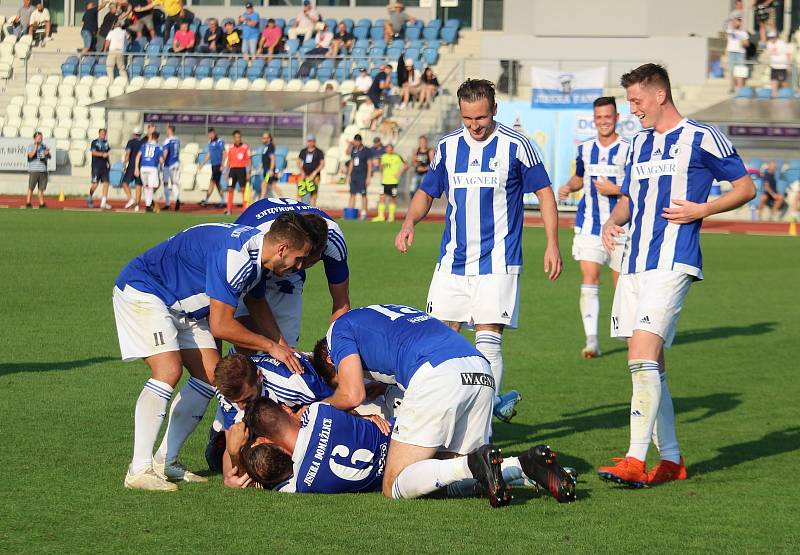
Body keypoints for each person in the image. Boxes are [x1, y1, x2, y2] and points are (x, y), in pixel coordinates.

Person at [597, 63, 756, 488]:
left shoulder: (702, 137)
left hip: (674, 260)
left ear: (660, 95)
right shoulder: (636, 145)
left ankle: (634, 458)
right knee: (652, 366)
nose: (632, 110)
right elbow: (631, 198)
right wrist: (613, 220)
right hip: (634, 263)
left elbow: (745, 188)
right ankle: (671, 459)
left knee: (641, 357)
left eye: (636, 101)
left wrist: (702, 210)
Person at [395, 79, 562, 424]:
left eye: (481, 119)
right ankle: (437, 419)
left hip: (499, 263)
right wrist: (409, 221)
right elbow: (428, 192)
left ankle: (480, 429)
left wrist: (552, 243)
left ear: (494, 111)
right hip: (452, 263)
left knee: (488, 344)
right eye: (468, 119)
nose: (474, 126)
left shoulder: (517, 146)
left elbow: (544, 193)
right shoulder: (448, 146)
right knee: (438, 343)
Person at [112, 214, 314, 490]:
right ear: (282, 250)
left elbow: (257, 303)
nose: (300, 266)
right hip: (147, 290)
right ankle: (139, 469)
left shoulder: (258, 253)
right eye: (299, 259)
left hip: (186, 307)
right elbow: (221, 325)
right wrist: (270, 346)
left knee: (211, 377)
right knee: (168, 370)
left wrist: (283, 347)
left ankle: (166, 461)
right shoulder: (238, 258)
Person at [313, 304, 576, 505]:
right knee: (455, 471)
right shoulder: (376, 316)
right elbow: (397, 353)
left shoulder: (337, 331)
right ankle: (525, 464)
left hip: (437, 374)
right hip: (479, 369)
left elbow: (351, 394)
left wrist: (317, 407)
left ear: (330, 357)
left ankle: (476, 462)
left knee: (393, 484)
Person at [557, 96, 630, 358]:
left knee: (621, 283)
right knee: (589, 278)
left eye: (608, 117)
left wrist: (616, 189)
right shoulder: (586, 149)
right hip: (588, 225)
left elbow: (638, 187)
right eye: (599, 117)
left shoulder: (627, 149)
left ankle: (627, 332)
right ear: (594, 119)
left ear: (617, 118)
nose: (603, 122)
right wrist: (568, 186)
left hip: (621, 227)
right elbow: (579, 178)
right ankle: (592, 340)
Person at [235, 197, 350, 348]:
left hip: (288, 274)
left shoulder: (333, 241)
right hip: (253, 258)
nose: (299, 267)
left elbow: (341, 303)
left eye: (309, 263)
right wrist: (275, 346)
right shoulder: (260, 238)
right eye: (299, 260)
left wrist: (330, 351)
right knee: (249, 336)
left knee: (288, 352)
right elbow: (253, 300)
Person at [208, 353, 336, 475]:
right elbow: (232, 444)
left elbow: (344, 400)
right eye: (236, 402)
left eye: (246, 399)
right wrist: (233, 456)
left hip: (321, 382)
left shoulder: (294, 383)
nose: (241, 407)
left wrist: (312, 410)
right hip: (278, 411)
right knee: (217, 459)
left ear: (259, 377)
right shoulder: (225, 392)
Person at [372, 143, 407, 223]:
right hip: (384, 181)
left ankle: (391, 217)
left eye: (390, 148)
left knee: (392, 198)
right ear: (386, 149)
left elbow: (406, 165)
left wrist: (399, 172)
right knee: (382, 197)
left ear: (392, 149)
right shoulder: (383, 157)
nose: (389, 150)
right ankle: (381, 216)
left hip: (393, 182)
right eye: (388, 148)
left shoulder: (397, 157)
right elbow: (381, 166)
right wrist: (381, 174)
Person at [135, 131, 165, 212]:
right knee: (151, 187)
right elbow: (161, 160)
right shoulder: (158, 147)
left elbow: (138, 156)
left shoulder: (144, 145)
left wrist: (136, 168)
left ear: (151, 137)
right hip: (152, 168)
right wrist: (162, 166)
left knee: (146, 187)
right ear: (158, 138)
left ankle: (148, 203)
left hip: (143, 167)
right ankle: (148, 205)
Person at [345, 134, 371, 220]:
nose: (356, 143)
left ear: (360, 141)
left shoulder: (366, 150)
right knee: (352, 193)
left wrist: (368, 177)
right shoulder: (353, 150)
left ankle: (363, 213)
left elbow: (369, 164)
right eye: (355, 141)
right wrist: (348, 175)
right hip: (354, 175)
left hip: (362, 175)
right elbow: (351, 162)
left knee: (363, 194)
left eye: (357, 141)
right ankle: (350, 212)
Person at [225, 130, 251, 215]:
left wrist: (248, 172)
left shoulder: (245, 147)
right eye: (236, 137)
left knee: (243, 189)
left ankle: (245, 210)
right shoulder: (230, 147)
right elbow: (228, 160)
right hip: (232, 171)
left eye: (239, 137)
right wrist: (226, 171)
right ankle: (229, 209)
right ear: (233, 138)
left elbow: (249, 161)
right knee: (230, 189)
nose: (237, 139)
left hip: (241, 170)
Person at [200, 128, 226, 207]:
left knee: (212, 181)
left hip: (218, 165)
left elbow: (224, 153)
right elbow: (209, 154)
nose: (210, 135)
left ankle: (206, 200)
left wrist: (222, 164)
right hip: (213, 165)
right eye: (209, 134)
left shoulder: (219, 141)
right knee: (217, 183)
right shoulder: (210, 143)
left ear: (214, 134)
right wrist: (202, 164)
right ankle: (223, 200)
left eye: (211, 134)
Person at [296, 134, 325, 207]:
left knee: (313, 194)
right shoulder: (303, 151)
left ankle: (312, 212)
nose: (310, 143)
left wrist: (314, 173)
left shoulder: (319, 152)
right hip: (304, 175)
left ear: (314, 142)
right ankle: (299, 210)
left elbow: (322, 164)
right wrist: (302, 172)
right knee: (300, 192)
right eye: (309, 141)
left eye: (312, 141)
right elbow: (298, 162)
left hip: (314, 176)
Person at [87, 128, 112, 210]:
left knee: (106, 183)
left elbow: (107, 154)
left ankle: (103, 202)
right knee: (95, 184)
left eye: (104, 134)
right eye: (101, 133)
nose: (103, 135)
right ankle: (90, 196)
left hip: (104, 166)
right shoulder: (95, 142)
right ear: (99, 134)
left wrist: (109, 162)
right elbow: (93, 152)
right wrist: (102, 154)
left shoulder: (106, 143)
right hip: (96, 166)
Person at [726, 17, 750, 93]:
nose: (737, 23)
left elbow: (747, 44)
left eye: (739, 21)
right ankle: (731, 87)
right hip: (731, 52)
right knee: (731, 71)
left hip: (740, 53)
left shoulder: (744, 32)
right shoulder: (730, 30)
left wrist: (743, 43)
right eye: (736, 21)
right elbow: (727, 24)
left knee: (740, 71)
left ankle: (740, 88)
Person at [26, 131, 49, 209]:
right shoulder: (31, 146)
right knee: (31, 187)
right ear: (35, 138)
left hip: (43, 170)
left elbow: (49, 156)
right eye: (39, 137)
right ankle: (28, 202)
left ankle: (41, 203)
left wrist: (47, 153)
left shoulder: (44, 146)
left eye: (41, 137)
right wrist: (36, 145)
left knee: (41, 188)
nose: (40, 139)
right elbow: (31, 155)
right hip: (34, 170)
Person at [121, 128, 143, 210]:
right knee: (139, 185)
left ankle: (131, 199)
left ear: (134, 134)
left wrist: (125, 164)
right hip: (141, 166)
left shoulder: (131, 142)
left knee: (124, 183)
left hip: (132, 165)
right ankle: (137, 205)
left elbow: (128, 153)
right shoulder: (143, 143)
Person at [366, 64, 391, 132]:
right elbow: (381, 86)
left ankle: (373, 126)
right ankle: (367, 120)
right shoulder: (383, 75)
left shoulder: (382, 75)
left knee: (377, 110)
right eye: (388, 69)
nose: (389, 71)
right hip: (374, 94)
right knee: (381, 109)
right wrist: (388, 85)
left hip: (375, 95)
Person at [161, 125, 181, 211]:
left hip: (169, 164)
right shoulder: (177, 139)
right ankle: (177, 199)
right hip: (176, 163)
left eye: (167, 130)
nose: (166, 131)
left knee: (166, 183)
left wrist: (161, 161)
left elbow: (165, 152)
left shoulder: (167, 140)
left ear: (169, 130)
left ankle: (167, 203)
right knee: (174, 183)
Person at [766, 30, 791, 97]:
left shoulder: (782, 43)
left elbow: (788, 53)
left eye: (772, 37)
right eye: (770, 37)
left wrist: (788, 65)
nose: (771, 39)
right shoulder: (768, 44)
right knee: (773, 81)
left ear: (776, 37)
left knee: (783, 82)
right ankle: (774, 95)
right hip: (774, 66)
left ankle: (786, 95)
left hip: (782, 66)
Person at [257, 132, 281, 199]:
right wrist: (260, 166)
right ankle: (284, 200)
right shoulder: (265, 147)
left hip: (269, 170)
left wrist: (271, 170)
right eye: (263, 138)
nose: (263, 139)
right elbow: (265, 159)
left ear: (269, 139)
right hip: (266, 170)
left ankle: (261, 202)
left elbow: (273, 158)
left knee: (264, 185)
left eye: (265, 138)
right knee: (273, 186)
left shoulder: (270, 146)